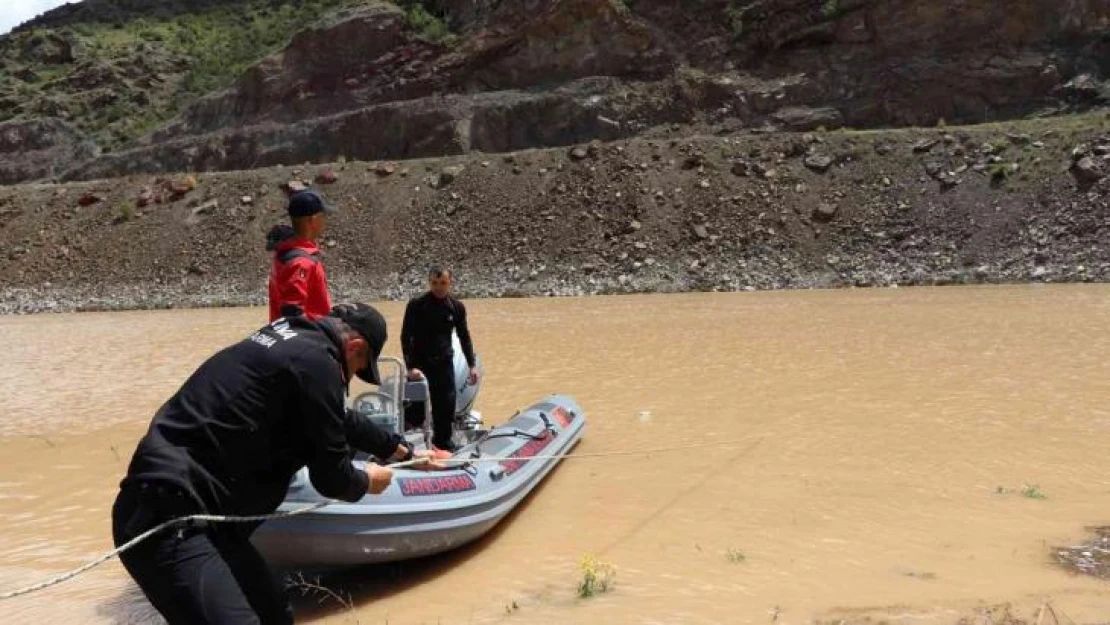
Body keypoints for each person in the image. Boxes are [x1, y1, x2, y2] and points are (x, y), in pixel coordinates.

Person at [111, 303, 441, 625]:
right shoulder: (319, 364)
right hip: (167, 520)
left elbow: (339, 418)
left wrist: (405, 454)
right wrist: (368, 480)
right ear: (355, 346)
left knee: (274, 613)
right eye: (357, 369)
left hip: (208, 523)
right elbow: (332, 479)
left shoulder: (292, 338)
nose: (350, 379)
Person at [401, 267, 480, 452]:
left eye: (443, 283)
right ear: (429, 283)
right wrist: (410, 367)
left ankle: (443, 443)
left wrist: (471, 365)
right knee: (415, 409)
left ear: (450, 283)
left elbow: (464, 336)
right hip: (420, 365)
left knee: (445, 406)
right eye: (434, 283)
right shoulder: (416, 305)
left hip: (444, 363)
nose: (438, 287)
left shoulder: (456, 307)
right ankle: (411, 445)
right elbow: (405, 336)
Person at [266, 189, 334, 321]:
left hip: (287, 336)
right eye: (323, 215)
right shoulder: (301, 262)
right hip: (309, 338)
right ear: (312, 220)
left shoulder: (285, 251)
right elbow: (293, 312)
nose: (325, 220)